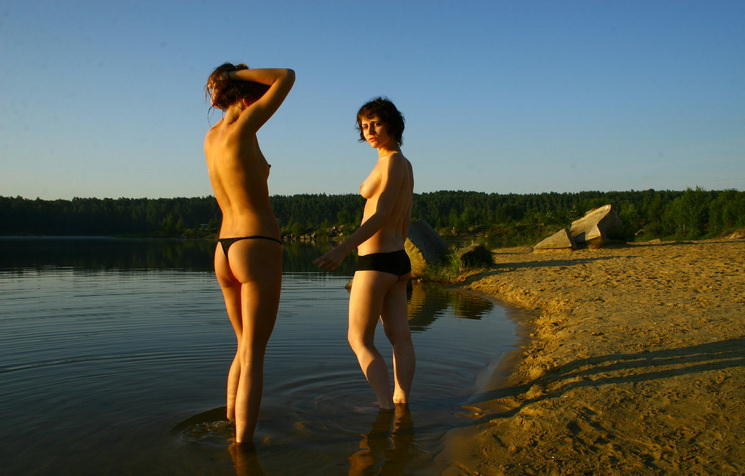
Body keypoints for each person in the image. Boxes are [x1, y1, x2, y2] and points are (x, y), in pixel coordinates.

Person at [204, 62, 295, 445]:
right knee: (255, 353)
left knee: (242, 346)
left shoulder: (210, 137)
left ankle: (229, 423)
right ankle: (243, 449)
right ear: (247, 93)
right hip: (256, 242)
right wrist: (240, 75)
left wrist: (227, 79)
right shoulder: (245, 126)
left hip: (224, 249)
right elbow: (286, 76)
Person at [314, 97, 415, 410]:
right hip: (396, 261)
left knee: (358, 339)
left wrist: (343, 248)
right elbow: (405, 217)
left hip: (376, 263)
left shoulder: (393, 161)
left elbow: (383, 212)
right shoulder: (398, 162)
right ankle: (401, 402)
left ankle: (384, 404)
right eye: (364, 125)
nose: (369, 130)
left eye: (376, 123)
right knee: (400, 337)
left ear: (392, 124)